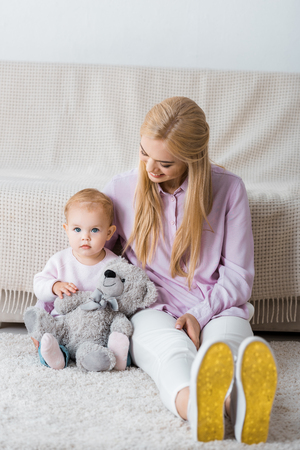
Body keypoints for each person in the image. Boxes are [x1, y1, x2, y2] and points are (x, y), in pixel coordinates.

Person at [103, 97, 277, 444]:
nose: (150, 168)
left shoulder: (229, 189)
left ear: (192, 158)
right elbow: (98, 261)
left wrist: (199, 314)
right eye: (144, 153)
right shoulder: (120, 189)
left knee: (225, 348)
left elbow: (239, 274)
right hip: (153, 305)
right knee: (170, 354)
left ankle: (236, 401)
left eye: (165, 162)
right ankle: (201, 408)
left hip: (217, 302)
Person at [32, 188, 128, 370]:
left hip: (97, 328)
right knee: (49, 340)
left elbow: (124, 291)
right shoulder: (60, 261)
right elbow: (39, 284)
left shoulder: (114, 265)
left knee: (111, 339)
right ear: (66, 230)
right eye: (77, 229)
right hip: (64, 324)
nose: (85, 237)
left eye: (94, 230)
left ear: (109, 233)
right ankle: (57, 356)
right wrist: (54, 286)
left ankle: (107, 356)